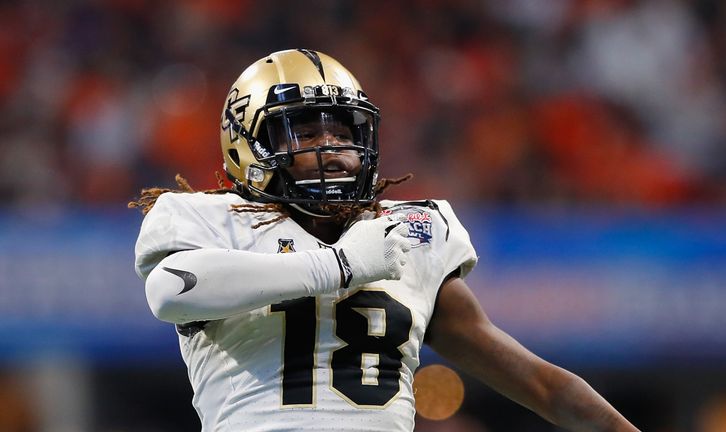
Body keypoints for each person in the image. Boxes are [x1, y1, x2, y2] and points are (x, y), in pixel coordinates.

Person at [132, 49, 640, 432]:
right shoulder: (209, 219)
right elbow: (172, 290)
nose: (332, 149)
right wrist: (340, 265)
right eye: (305, 133)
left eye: (343, 133)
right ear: (250, 145)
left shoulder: (408, 234)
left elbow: (540, 383)